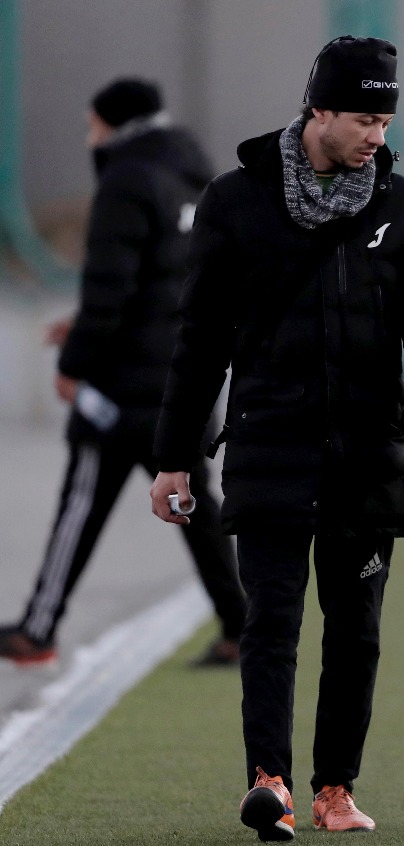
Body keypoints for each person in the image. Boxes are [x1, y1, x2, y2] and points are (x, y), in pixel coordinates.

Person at [148, 36, 404, 842]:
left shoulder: (401, 204)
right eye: (363, 119)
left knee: (356, 633)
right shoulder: (235, 200)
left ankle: (334, 790)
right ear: (318, 109)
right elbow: (200, 340)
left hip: (367, 454)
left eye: (385, 122)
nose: (376, 137)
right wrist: (173, 458)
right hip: (270, 447)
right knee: (271, 625)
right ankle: (270, 783)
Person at [0, 78, 245, 668]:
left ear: (115, 126)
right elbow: (168, 282)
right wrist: (82, 325)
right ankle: (244, 628)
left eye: (93, 125)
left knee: (82, 501)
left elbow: (111, 287)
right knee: (192, 502)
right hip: (188, 374)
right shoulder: (197, 179)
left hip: (125, 384)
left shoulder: (125, 181)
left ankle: (38, 630)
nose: (90, 138)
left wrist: (73, 363)